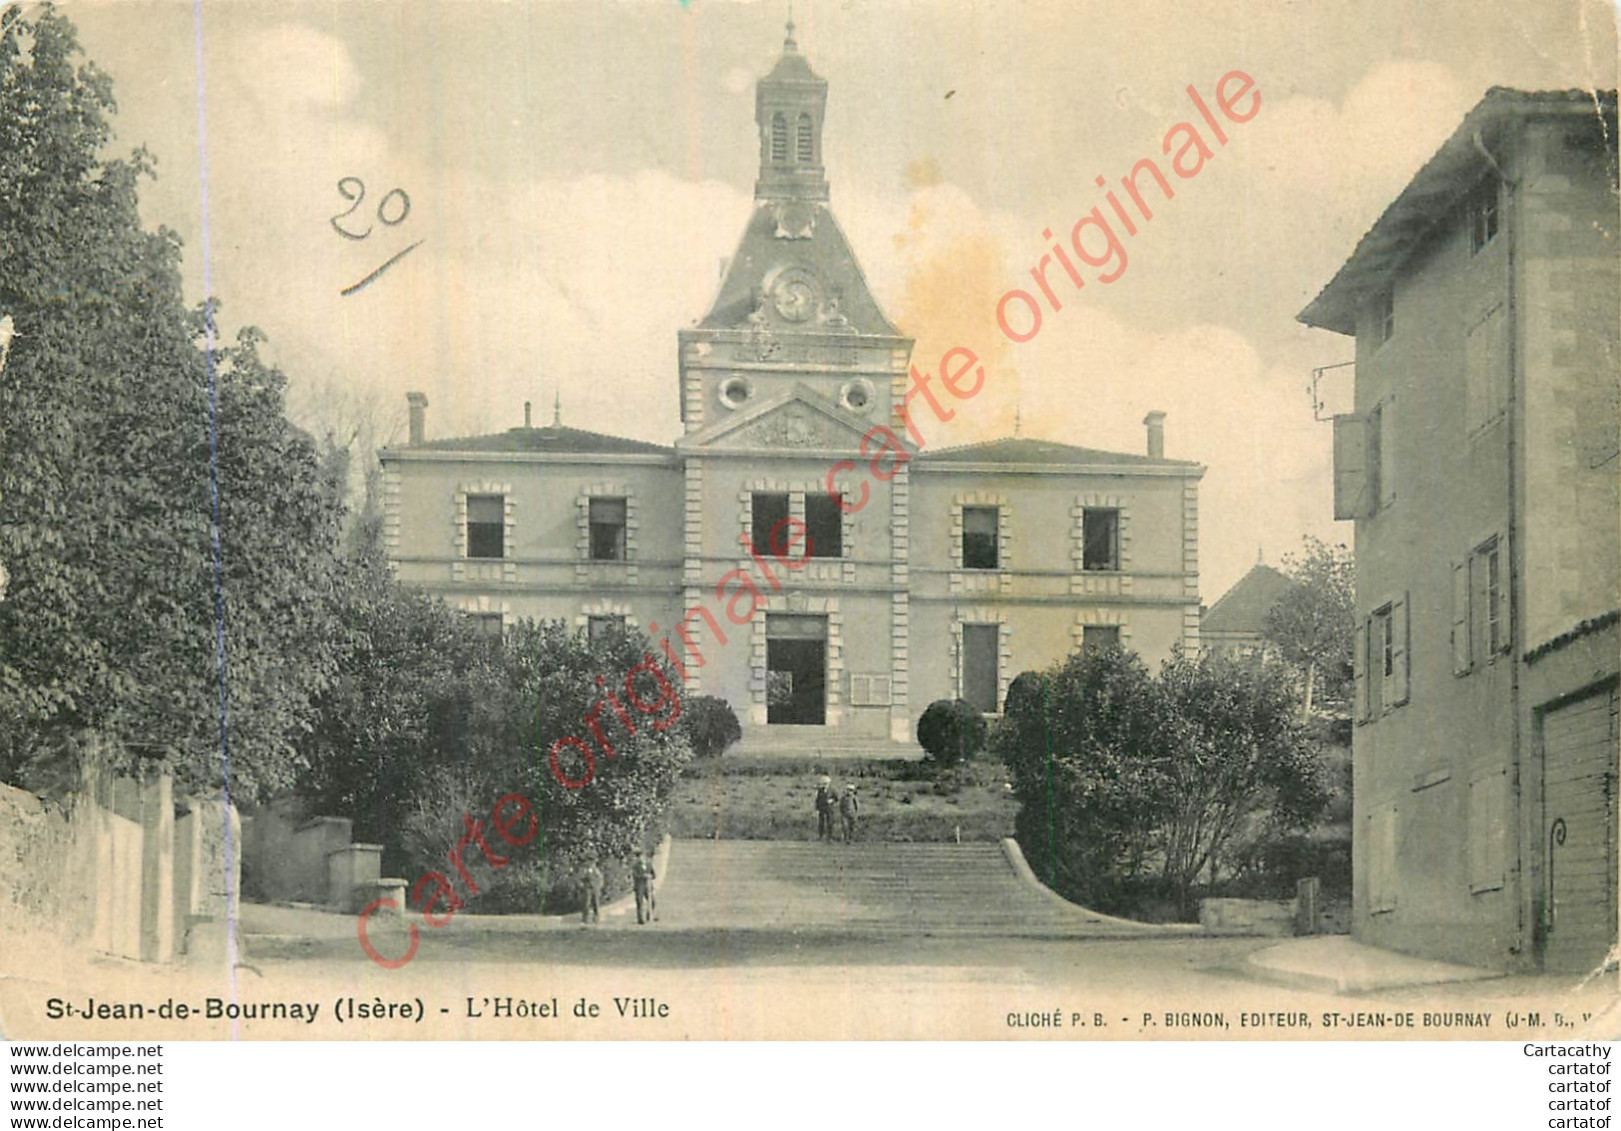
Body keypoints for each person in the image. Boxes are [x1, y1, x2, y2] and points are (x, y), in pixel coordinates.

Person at [631, 850, 657, 925]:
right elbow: (635, 875)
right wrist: (643, 876)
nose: (641, 858)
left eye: (642, 857)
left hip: (648, 886)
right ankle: (640, 919)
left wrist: (651, 876)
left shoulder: (649, 864)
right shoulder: (635, 865)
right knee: (640, 902)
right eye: (639, 857)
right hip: (639, 886)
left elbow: (654, 875)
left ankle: (649, 915)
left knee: (652, 901)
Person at [578, 860, 604, 924]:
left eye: (592, 863)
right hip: (588, 889)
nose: (591, 864)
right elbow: (580, 879)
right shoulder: (585, 871)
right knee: (586, 903)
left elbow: (600, 878)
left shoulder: (596, 871)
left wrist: (599, 886)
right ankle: (585, 918)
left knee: (596, 903)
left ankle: (596, 917)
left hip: (595, 889)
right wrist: (583, 886)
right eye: (590, 863)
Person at [814, 775, 838, 841]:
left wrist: (831, 800)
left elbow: (837, 798)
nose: (824, 785)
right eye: (823, 783)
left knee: (830, 823)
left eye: (826, 783)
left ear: (829, 783)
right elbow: (817, 800)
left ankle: (830, 837)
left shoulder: (832, 790)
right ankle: (821, 836)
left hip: (830, 809)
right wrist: (817, 808)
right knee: (821, 823)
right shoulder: (820, 791)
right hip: (822, 809)